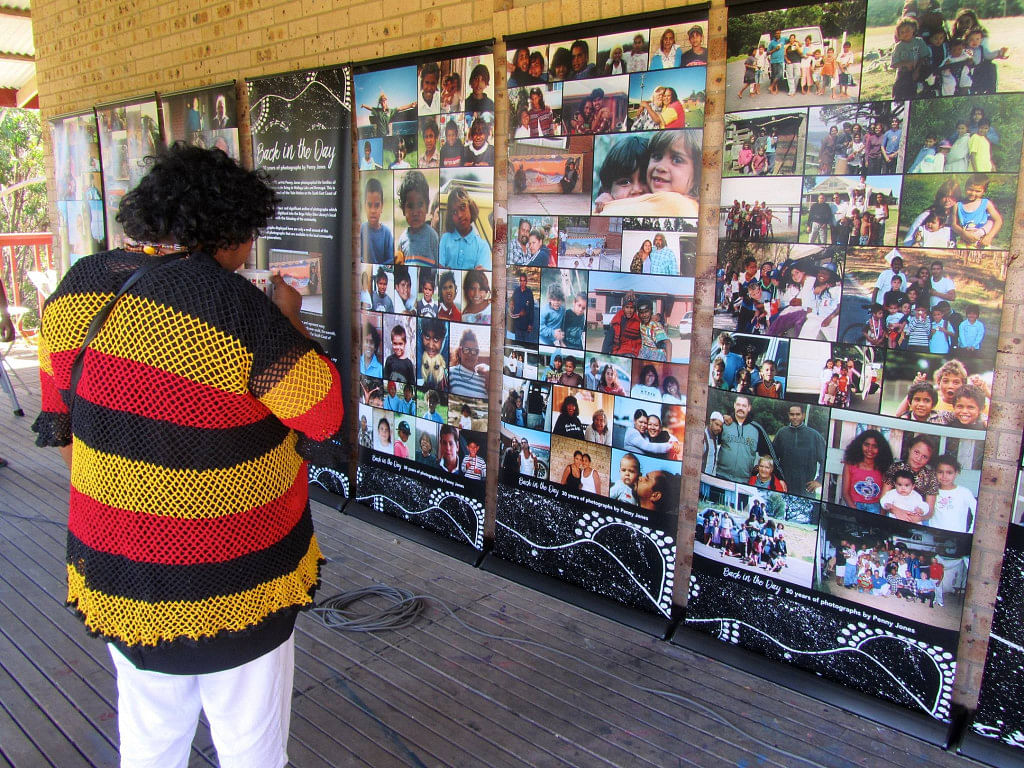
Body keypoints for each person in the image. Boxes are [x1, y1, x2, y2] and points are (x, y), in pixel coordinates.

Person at [33, 144, 344, 768]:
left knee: (151, 744)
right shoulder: (235, 307)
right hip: (237, 571)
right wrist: (291, 324)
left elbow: (63, 430)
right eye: (247, 237)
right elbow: (323, 411)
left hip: (122, 566)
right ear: (223, 229)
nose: (248, 253)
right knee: (251, 749)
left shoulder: (75, 290)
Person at [772, 404, 825, 497]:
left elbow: (824, 460)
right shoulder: (782, 433)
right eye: (792, 414)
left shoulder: (814, 436)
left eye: (798, 414)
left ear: (803, 415)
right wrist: (777, 478)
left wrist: (819, 480)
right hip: (784, 485)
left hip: (806, 487)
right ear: (788, 415)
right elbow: (773, 458)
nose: (794, 417)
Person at [841, 429, 892, 514]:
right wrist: (853, 508)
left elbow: (885, 497)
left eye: (875, 446)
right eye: (866, 445)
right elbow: (845, 493)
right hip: (854, 505)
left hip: (875, 507)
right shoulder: (850, 465)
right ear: (860, 445)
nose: (870, 449)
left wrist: (881, 514)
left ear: (881, 449)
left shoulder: (884, 468)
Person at [932, 454, 976, 533]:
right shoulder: (931, 492)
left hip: (956, 537)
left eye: (949, 473)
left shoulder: (964, 492)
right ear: (935, 472)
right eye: (940, 472)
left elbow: (977, 513)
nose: (944, 476)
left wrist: (970, 533)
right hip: (934, 536)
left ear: (956, 473)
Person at [448, 329, 488, 398]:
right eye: (466, 350)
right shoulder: (450, 373)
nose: (470, 355)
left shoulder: (485, 378)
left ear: (478, 354)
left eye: (474, 351)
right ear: (460, 352)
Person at [508, 272, 536, 342]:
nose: (522, 283)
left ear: (526, 282)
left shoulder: (529, 293)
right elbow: (512, 300)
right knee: (517, 344)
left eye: (524, 281)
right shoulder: (516, 291)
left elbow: (532, 309)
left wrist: (530, 324)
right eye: (521, 281)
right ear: (519, 281)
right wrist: (511, 303)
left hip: (526, 325)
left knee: (525, 344)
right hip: (517, 324)